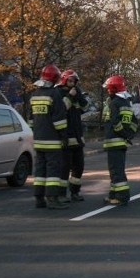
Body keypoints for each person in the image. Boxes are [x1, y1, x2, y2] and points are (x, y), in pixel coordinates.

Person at [30, 64, 70, 210]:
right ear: (54, 78)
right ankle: (52, 198)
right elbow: (59, 120)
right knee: (53, 171)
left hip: (38, 140)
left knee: (40, 170)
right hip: (52, 141)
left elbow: (31, 120)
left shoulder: (34, 94)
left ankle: (39, 198)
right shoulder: (54, 95)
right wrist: (64, 136)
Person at [102, 74, 138, 206]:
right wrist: (129, 135)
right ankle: (113, 194)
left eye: (109, 88)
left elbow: (115, 122)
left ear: (113, 89)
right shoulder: (126, 103)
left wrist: (122, 133)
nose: (107, 91)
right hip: (121, 143)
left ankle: (122, 196)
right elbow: (134, 122)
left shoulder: (114, 103)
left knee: (116, 171)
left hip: (114, 142)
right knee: (116, 170)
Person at [57, 69, 89, 202]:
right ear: (64, 80)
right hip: (66, 137)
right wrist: (70, 96)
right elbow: (62, 109)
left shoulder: (77, 92)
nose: (72, 83)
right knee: (64, 168)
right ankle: (61, 194)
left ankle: (75, 192)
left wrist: (79, 97)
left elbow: (85, 107)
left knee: (79, 167)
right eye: (70, 80)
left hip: (77, 137)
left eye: (74, 81)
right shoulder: (58, 93)